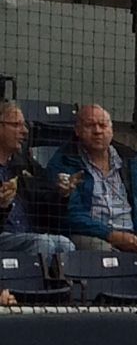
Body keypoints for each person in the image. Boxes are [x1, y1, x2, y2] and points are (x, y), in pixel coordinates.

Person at [50, 105, 137, 254]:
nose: (97, 131)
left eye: (103, 125)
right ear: (77, 130)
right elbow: (72, 215)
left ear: (111, 130)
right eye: (90, 125)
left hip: (132, 234)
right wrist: (110, 235)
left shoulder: (127, 159)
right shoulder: (64, 161)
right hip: (92, 235)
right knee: (105, 253)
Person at [0, 102, 72, 261]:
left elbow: (44, 204)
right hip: (4, 236)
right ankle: (31, 285)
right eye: (16, 125)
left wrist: (61, 194)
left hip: (27, 234)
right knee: (42, 243)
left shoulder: (24, 164)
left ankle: (63, 286)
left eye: (24, 125)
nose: (25, 131)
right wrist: (2, 207)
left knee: (65, 244)